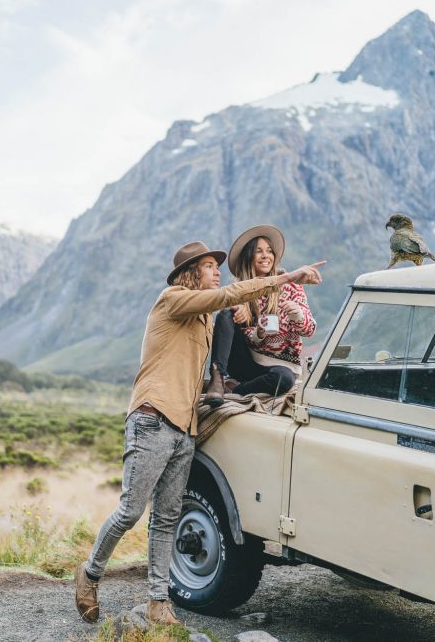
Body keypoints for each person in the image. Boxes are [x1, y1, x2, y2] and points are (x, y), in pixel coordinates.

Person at [75, 241, 324, 626]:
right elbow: (227, 295)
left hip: (186, 425)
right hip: (152, 416)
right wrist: (287, 277)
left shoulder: (207, 318)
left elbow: (228, 310)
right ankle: (90, 574)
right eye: (209, 266)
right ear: (190, 273)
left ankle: (159, 602)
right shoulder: (171, 299)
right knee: (130, 511)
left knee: (167, 517)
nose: (217, 272)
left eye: (216, 266)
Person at [205, 225, 317, 405]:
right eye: (259, 252)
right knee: (226, 313)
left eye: (269, 251)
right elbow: (240, 332)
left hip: (279, 367)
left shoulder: (291, 286)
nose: (266, 256)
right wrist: (258, 331)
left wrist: (298, 316)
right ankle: (217, 379)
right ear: (248, 257)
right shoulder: (241, 290)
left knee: (284, 379)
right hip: (247, 361)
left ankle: (235, 389)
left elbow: (310, 330)